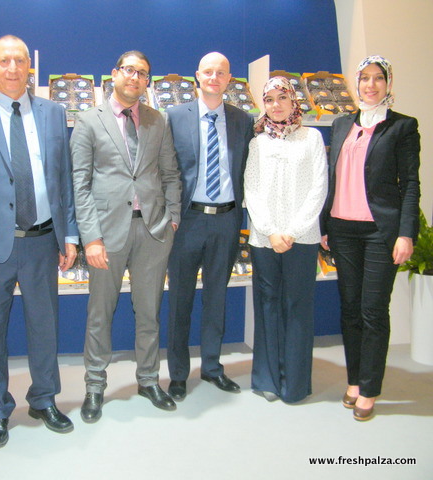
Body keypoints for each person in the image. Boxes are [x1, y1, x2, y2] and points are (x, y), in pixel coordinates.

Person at [0, 35, 78, 445]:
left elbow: (63, 180)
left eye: (19, 61)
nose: (12, 68)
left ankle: (44, 399)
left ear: (29, 67)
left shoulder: (54, 113)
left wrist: (69, 234)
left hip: (42, 240)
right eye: (4, 61)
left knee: (45, 327)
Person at [71, 50, 181, 422]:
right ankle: (94, 386)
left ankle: (149, 380)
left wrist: (173, 219)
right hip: (106, 234)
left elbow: (170, 173)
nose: (135, 77)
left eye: (142, 73)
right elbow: (80, 184)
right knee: (100, 314)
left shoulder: (157, 120)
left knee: (149, 312)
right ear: (114, 73)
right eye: (129, 70)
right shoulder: (88, 120)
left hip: (152, 231)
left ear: (147, 81)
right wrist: (91, 238)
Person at [321, 55, 420, 421]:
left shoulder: (403, 126)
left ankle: (370, 388)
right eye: (364, 78)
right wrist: (325, 225)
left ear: (388, 83)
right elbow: (332, 177)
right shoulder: (341, 123)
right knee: (350, 309)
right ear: (357, 83)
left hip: (380, 232)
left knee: (373, 310)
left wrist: (406, 233)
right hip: (342, 229)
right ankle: (354, 379)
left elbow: (410, 184)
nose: (371, 85)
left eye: (378, 78)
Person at [166, 52, 253, 401]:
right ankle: (177, 374)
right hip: (187, 221)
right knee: (180, 300)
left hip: (227, 220)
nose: (214, 78)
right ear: (197, 76)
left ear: (229, 79)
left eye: (221, 73)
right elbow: (165, 170)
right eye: (208, 72)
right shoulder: (175, 117)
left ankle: (213, 368)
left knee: (217, 298)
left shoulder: (243, 120)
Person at [244, 77, 327, 404]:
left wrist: (292, 231)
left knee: (297, 308)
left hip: (301, 239)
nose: (276, 105)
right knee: (267, 306)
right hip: (265, 239)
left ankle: (294, 383)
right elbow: (251, 189)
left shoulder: (312, 138)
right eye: (269, 99)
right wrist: (270, 230)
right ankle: (267, 378)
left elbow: (319, 188)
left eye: (282, 97)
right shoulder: (258, 143)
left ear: (294, 101)